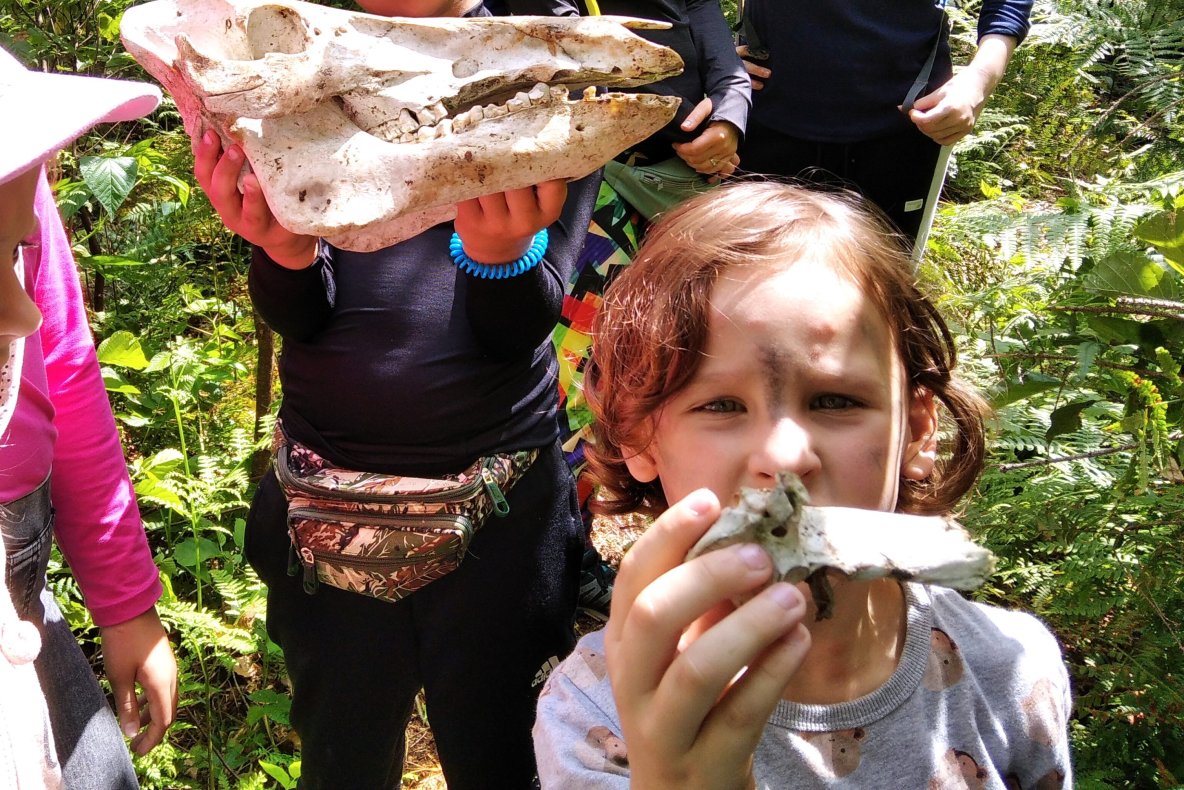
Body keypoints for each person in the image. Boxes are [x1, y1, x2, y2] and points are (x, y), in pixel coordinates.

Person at [533, 182, 1074, 787]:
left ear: (918, 431)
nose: (785, 457)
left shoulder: (1011, 673)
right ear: (638, 437)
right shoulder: (593, 718)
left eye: (836, 400)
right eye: (720, 405)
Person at [192, 0, 596, 785]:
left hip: (501, 517)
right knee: (342, 754)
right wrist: (284, 250)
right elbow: (303, 318)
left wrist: (501, 255)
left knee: (505, 754)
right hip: (324, 510)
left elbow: (520, 327)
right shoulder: (295, 62)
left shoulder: (538, 62)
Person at [508, 0, 751, 620]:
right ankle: (559, 546)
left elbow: (728, 72)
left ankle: (645, 541)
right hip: (587, 208)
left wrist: (728, 122)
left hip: (674, 213)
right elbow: (570, 58)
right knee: (573, 377)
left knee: (658, 373)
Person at [0, 44, 178, 788]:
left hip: (19, 578)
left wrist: (125, 600)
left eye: (14, 250)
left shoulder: (16, 172)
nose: (24, 314)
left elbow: (65, 365)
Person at [736, 0, 1033, 243]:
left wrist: (979, 80)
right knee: (744, 283)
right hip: (767, 118)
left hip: (905, 128)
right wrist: (718, 60)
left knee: (881, 290)